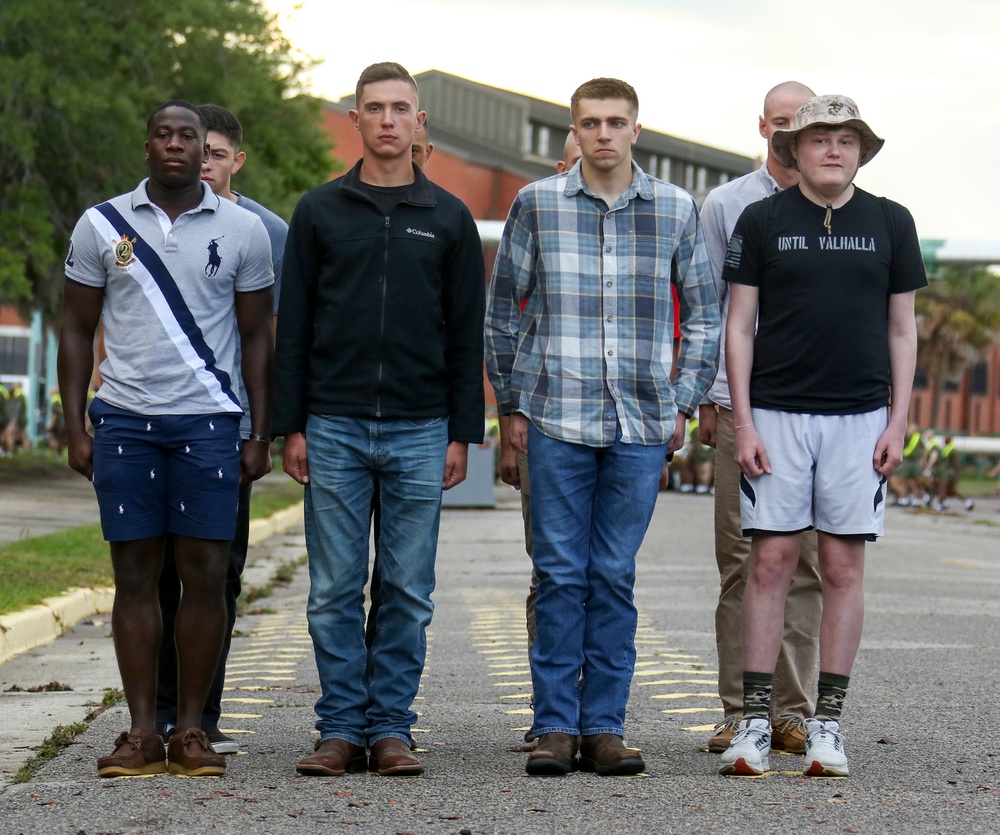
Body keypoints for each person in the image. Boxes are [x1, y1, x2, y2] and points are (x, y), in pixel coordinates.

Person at [486, 77, 720, 777]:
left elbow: (705, 314)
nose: (604, 134)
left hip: (642, 422)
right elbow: (503, 312)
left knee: (612, 575)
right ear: (576, 130)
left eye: (617, 122)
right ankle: (555, 726)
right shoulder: (537, 203)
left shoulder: (678, 208)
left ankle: (606, 726)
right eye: (591, 122)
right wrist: (513, 407)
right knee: (559, 574)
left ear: (636, 130)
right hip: (557, 415)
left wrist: (681, 400)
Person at [274, 62, 485, 778]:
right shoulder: (319, 211)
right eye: (375, 108)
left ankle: (391, 727)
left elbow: (466, 333)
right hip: (331, 424)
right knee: (333, 587)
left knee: (405, 587)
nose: (389, 119)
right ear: (357, 120)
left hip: (422, 427)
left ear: (419, 122)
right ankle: (339, 729)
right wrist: (290, 424)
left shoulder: (450, 218)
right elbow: (294, 324)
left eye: (401, 108)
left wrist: (463, 431)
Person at [58, 100, 274, 778]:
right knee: (134, 578)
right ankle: (142, 731)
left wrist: (257, 429)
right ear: (147, 145)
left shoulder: (243, 229)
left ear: (207, 150)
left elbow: (259, 336)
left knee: (206, 576)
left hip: (209, 425)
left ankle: (191, 732)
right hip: (124, 420)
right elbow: (73, 327)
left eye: (190, 136)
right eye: (164, 134)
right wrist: (73, 421)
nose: (177, 145)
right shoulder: (103, 224)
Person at [719, 95, 925, 778]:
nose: (832, 150)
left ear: (861, 149)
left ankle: (825, 726)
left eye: (845, 139)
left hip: (860, 418)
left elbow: (902, 328)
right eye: (818, 139)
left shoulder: (891, 221)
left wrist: (898, 419)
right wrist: (743, 420)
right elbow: (739, 325)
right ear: (794, 149)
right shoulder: (762, 219)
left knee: (841, 568)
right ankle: (752, 722)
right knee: (771, 564)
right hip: (775, 414)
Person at [154, 103, 288, 754]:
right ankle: (153, 712)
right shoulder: (146, 222)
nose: (199, 161)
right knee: (155, 572)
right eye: (190, 148)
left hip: (225, 425)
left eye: (212, 152)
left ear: (235, 159)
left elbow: (274, 335)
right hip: (151, 419)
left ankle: (201, 715)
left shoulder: (266, 231)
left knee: (217, 571)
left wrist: (268, 428)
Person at [698, 82, 820, 756]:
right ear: (764, 127)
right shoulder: (727, 204)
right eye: (779, 122)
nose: (787, 135)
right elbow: (712, 304)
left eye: (798, 124)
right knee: (743, 562)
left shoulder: (836, 209)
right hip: (737, 407)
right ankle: (738, 708)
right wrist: (714, 398)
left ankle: (792, 711)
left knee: (801, 563)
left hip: (811, 408)